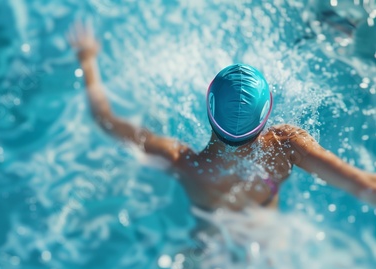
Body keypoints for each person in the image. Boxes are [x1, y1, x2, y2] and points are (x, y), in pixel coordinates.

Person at [66, 20, 376, 214]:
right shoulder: (287, 147)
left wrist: (88, 61)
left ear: (209, 108)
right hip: (268, 241)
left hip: (211, 241)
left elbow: (104, 119)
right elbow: (365, 186)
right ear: (265, 114)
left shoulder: (180, 161)